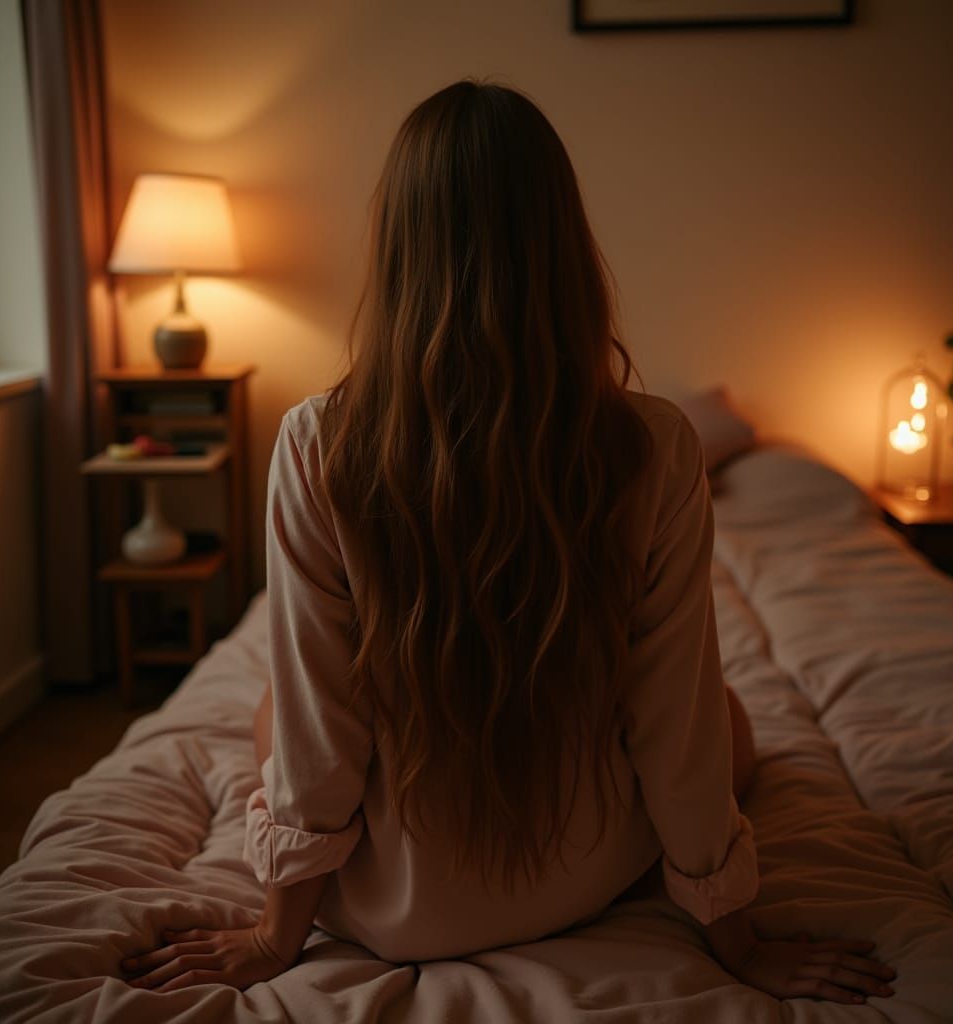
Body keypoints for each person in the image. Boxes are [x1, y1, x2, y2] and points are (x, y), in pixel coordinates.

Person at [120, 80, 896, 1005]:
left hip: (387, 904)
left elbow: (322, 727)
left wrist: (273, 935)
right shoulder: (654, 444)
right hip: (585, 869)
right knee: (721, 713)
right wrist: (738, 938)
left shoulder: (316, 441)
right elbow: (673, 718)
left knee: (273, 714)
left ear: (398, 247)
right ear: (562, 244)